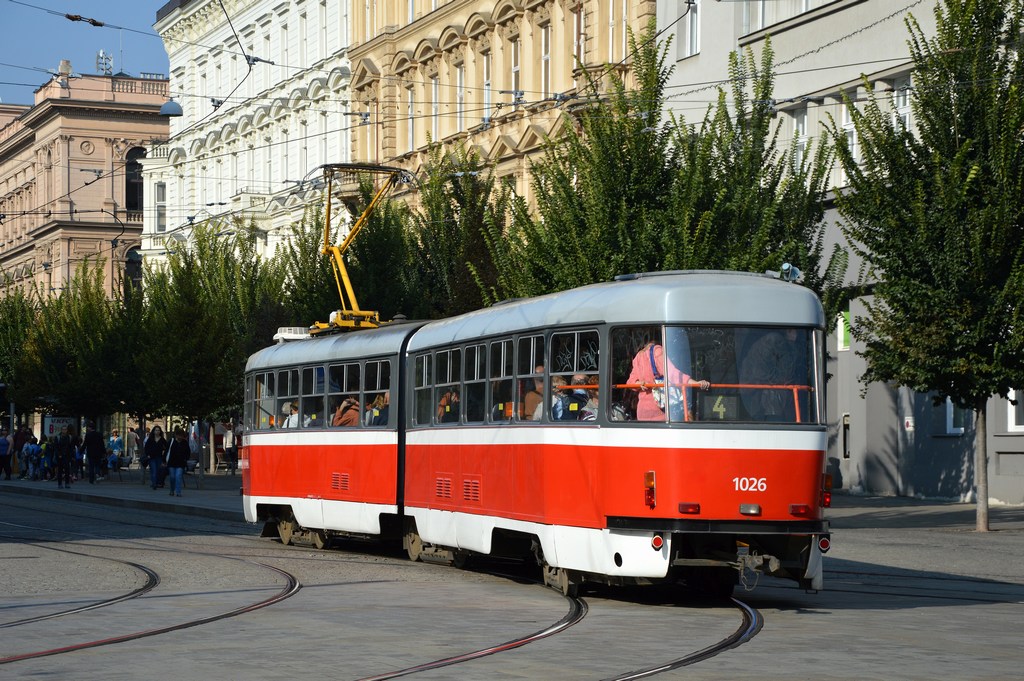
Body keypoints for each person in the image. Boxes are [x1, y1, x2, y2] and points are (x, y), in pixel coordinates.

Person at [627, 341, 710, 422]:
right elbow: (673, 374)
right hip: (660, 412)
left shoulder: (639, 356)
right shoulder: (657, 350)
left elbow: (630, 382)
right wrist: (695, 383)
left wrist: (639, 384)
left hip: (642, 413)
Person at [165, 427, 191, 497]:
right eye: (178, 435)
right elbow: (167, 451)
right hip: (171, 462)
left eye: (181, 435)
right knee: (172, 477)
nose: (180, 437)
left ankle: (178, 491)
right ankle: (172, 489)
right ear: (176, 435)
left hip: (180, 463)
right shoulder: (171, 441)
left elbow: (188, 452)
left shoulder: (184, 442)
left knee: (178, 476)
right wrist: (164, 461)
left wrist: (186, 459)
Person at [144, 425, 168, 489]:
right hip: (151, 457)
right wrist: (148, 454)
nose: (157, 431)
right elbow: (146, 447)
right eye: (156, 430)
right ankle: (154, 483)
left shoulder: (162, 439)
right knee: (153, 470)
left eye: (158, 430)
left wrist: (164, 454)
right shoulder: (150, 439)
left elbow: (167, 447)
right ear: (154, 431)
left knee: (158, 470)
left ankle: (156, 482)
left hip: (159, 457)